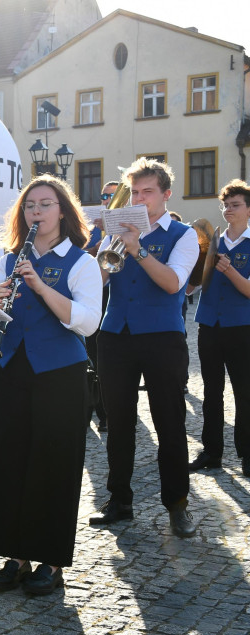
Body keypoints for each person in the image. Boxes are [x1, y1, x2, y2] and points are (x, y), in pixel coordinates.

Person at [0, 176, 101, 595]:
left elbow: (87, 321)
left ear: (62, 211)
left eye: (45, 205)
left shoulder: (81, 262)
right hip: (13, 369)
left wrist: (42, 287)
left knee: (54, 464)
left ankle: (50, 560)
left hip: (60, 375)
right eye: (30, 206)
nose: (36, 212)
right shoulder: (10, 258)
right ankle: (15, 555)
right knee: (9, 462)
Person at [89, 157, 198, 538]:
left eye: (146, 192)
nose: (138, 199)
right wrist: (104, 247)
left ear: (166, 195)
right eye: (133, 192)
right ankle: (119, 500)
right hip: (115, 334)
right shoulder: (115, 232)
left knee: (169, 421)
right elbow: (94, 284)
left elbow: (172, 284)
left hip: (163, 338)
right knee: (118, 423)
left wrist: (138, 248)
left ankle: (177, 504)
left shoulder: (183, 235)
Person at [191, 179, 250, 477]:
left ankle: (247, 455)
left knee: (245, 392)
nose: (228, 210)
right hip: (209, 324)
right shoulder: (212, 240)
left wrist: (230, 270)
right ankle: (212, 453)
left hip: (243, 327)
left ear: (249, 209)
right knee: (212, 391)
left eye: (235, 205)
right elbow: (193, 284)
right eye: (225, 205)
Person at [84, 181, 119, 433]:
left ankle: (107, 412)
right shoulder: (93, 229)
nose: (107, 199)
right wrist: (93, 250)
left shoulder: (125, 229)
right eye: (104, 195)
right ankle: (92, 408)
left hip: (114, 299)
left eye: (112, 195)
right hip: (94, 294)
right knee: (92, 355)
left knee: (109, 362)